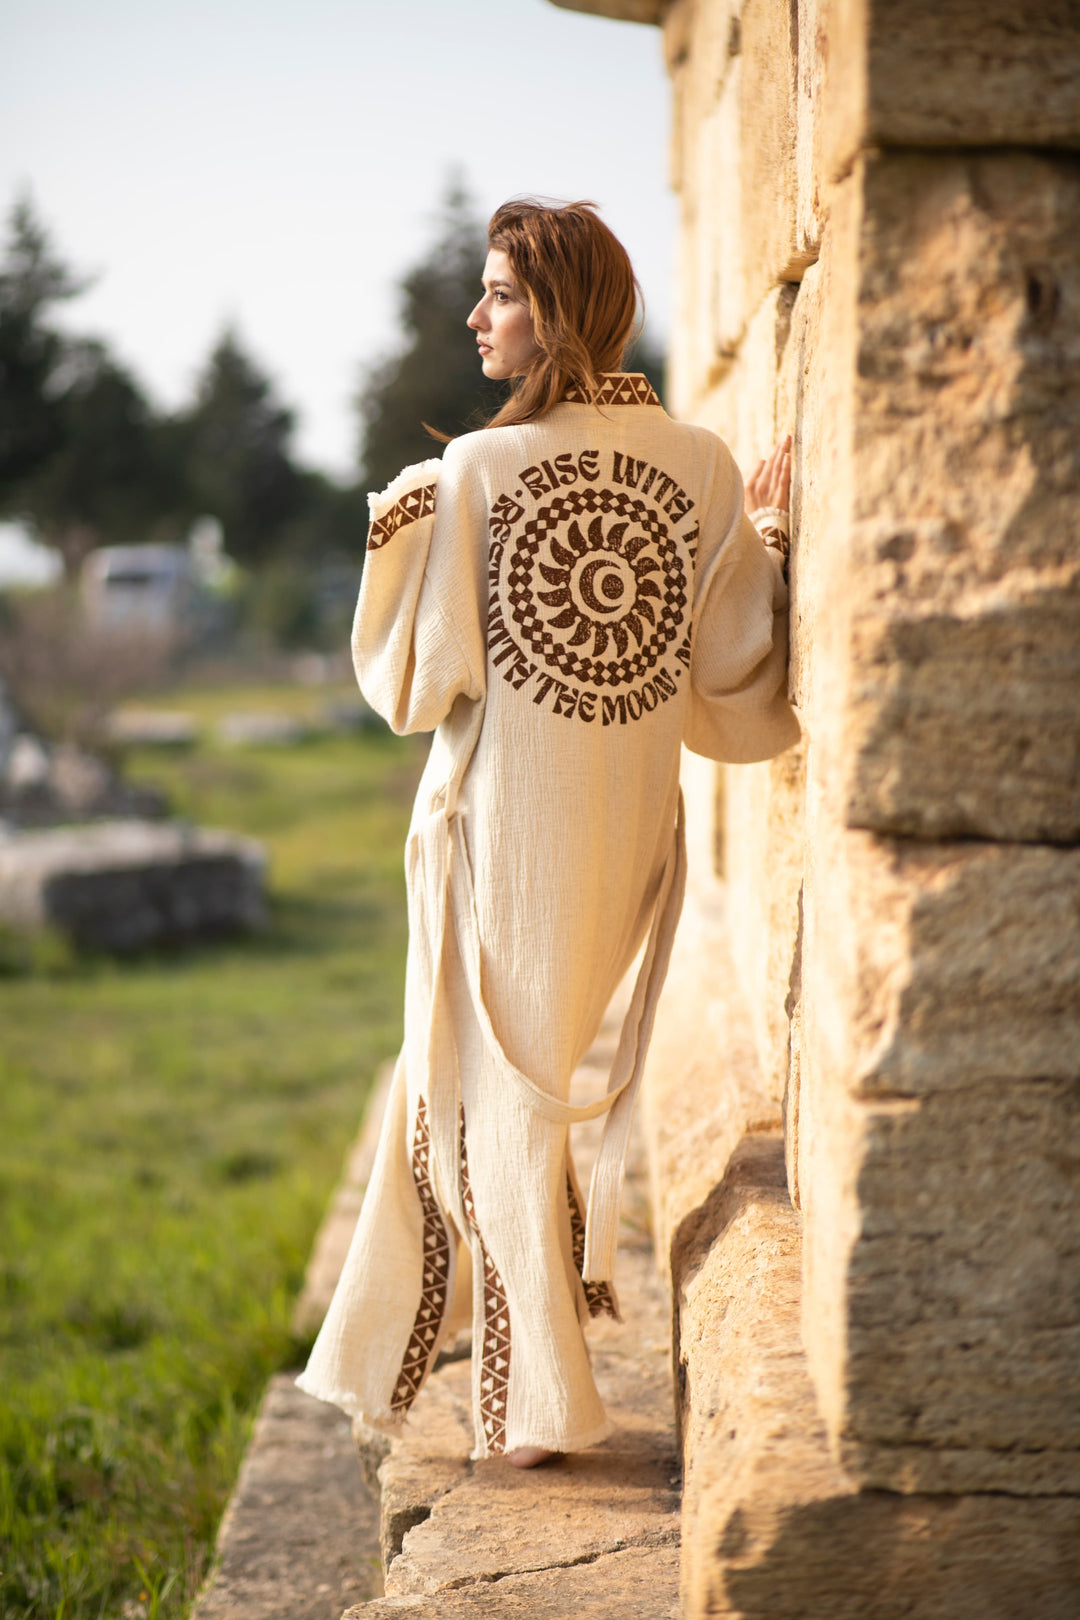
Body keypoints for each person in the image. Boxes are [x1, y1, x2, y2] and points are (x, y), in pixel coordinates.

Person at [297, 199, 799, 1468]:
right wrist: (773, 537)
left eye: (502, 295)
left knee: (493, 1102)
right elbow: (733, 683)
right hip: (621, 832)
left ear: (562, 310)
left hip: (501, 843)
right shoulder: (699, 461)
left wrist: (403, 516)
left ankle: (541, 1412)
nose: (478, 317)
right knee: (456, 1090)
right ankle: (392, 1359)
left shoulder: (472, 472)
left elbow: (415, 688)